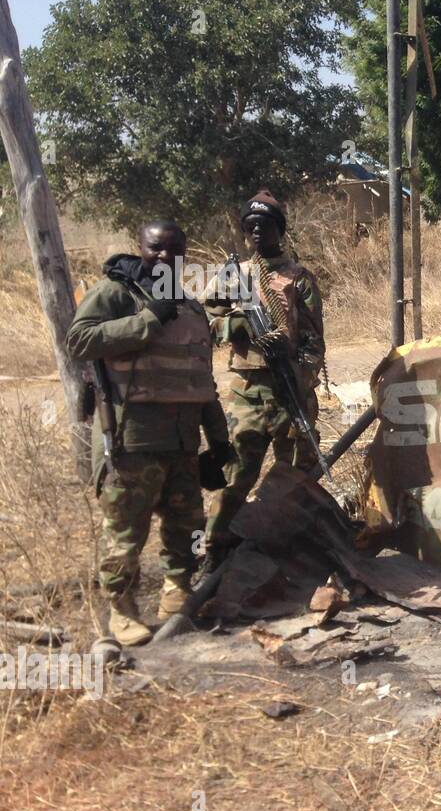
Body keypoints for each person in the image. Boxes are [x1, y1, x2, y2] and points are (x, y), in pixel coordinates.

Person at [66, 221, 232, 654]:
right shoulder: (116, 293)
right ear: (141, 248)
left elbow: (202, 382)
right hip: (131, 444)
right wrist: (145, 321)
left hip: (182, 445)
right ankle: (122, 610)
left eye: (175, 250)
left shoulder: (191, 308)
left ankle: (178, 592)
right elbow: (79, 340)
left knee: (189, 528)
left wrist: (219, 442)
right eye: (156, 248)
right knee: (125, 535)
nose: (165, 257)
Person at [204, 191, 325, 562]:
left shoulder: (299, 279)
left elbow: (314, 342)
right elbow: (203, 326)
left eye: (266, 225)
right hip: (248, 393)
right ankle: (215, 547)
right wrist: (234, 327)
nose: (258, 232)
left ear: (280, 230)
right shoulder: (233, 276)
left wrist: (300, 375)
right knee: (238, 472)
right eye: (251, 226)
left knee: (296, 474)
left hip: (290, 389)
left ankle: (283, 539)